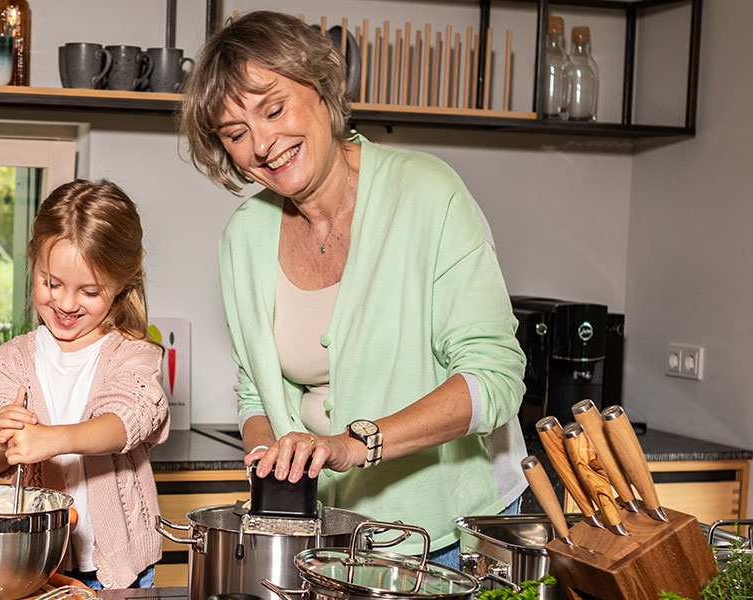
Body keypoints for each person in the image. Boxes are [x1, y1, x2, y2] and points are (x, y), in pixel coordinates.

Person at [177, 11, 529, 565]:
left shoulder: (428, 194)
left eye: (274, 109)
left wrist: (353, 444)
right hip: (328, 535)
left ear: (320, 88)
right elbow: (256, 396)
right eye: (236, 133)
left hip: (449, 531)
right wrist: (273, 464)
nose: (263, 144)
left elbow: (494, 379)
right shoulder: (242, 238)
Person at [0, 180, 169, 590]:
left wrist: (52, 439)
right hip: (34, 562)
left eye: (89, 291)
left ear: (122, 283)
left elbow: (125, 421)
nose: (65, 303)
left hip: (120, 568)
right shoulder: (12, 359)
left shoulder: (134, 355)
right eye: (51, 283)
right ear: (33, 263)